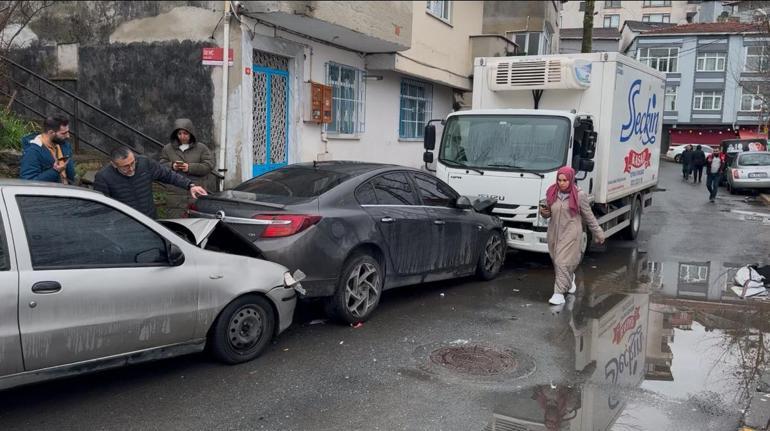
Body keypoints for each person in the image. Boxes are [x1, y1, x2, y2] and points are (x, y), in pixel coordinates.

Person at [539, 166, 605, 306]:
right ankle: (569, 279)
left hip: (571, 233)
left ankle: (559, 294)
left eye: (565, 180)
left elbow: (589, 216)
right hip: (554, 232)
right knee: (556, 260)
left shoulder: (579, 195)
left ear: (571, 179)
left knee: (561, 262)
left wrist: (598, 232)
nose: (562, 183)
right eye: (559, 180)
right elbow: (548, 213)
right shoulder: (552, 192)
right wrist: (544, 212)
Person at [93, 147, 208, 218]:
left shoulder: (144, 163)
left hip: (150, 221)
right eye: (125, 166)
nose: (131, 168)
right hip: (124, 225)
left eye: (133, 163)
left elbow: (168, 175)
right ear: (114, 165)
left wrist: (190, 185)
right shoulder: (103, 177)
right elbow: (101, 207)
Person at [159, 119, 215, 216]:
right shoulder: (168, 149)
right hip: (175, 195)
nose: (182, 136)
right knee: (176, 222)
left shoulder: (201, 148)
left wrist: (189, 167)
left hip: (196, 192)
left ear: (191, 133)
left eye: (185, 133)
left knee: (196, 220)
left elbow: (209, 165)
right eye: (179, 133)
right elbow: (161, 166)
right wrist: (172, 165)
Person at [19, 115, 76, 184]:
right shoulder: (33, 152)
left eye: (67, 132)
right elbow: (28, 182)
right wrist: (55, 171)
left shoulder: (63, 144)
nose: (68, 136)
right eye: (64, 133)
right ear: (51, 132)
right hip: (51, 190)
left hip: (68, 188)